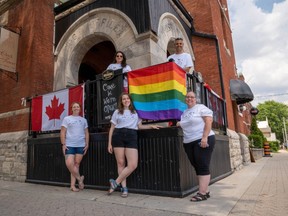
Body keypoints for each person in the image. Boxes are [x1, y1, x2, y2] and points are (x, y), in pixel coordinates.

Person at [107, 92, 162, 198]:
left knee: (132, 164)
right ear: (121, 101)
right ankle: (124, 188)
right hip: (118, 135)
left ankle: (115, 182)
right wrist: (109, 143)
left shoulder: (135, 112)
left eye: (127, 99)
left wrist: (151, 126)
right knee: (121, 163)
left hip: (132, 135)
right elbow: (112, 128)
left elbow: (140, 126)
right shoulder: (117, 112)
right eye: (123, 99)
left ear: (130, 100)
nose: (126, 100)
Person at [176, 91, 215, 202]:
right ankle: (205, 191)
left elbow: (208, 120)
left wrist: (204, 137)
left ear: (195, 99)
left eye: (192, 97)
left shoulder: (200, 108)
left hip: (202, 139)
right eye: (187, 97)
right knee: (197, 166)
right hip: (188, 142)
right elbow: (185, 123)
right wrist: (179, 123)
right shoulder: (184, 113)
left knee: (202, 165)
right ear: (185, 99)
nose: (189, 99)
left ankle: (202, 193)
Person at [60, 102, 89, 192]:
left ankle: (72, 186)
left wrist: (87, 143)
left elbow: (86, 132)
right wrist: (63, 144)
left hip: (80, 145)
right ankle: (80, 180)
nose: (76, 108)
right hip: (69, 145)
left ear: (80, 109)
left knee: (76, 165)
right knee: (69, 164)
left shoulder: (83, 120)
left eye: (77, 107)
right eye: (74, 107)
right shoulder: (67, 119)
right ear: (71, 109)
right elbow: (62, 132)